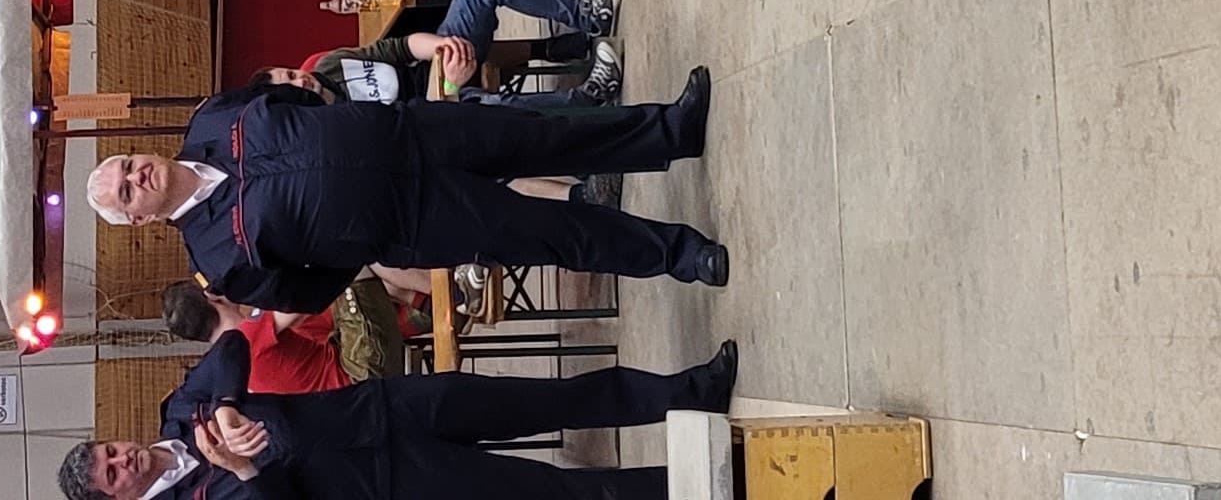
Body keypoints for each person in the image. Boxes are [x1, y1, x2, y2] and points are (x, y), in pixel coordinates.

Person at [85, 66, 727, 309]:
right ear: (139, 220)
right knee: (553, 234)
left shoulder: (210, 119)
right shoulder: (217, 260)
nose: (137, 176)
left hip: (414, 134)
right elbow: (306, 291)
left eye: (128, 165)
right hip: (416, 221)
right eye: (127, 192)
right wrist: (359, 236)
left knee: (549, 135)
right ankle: (681, 255)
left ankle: (671, 131)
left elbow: (289, 99)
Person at [58, 339, 739, 500]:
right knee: (555, 490)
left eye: (111, 450)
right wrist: (244, 471)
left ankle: (692, 391)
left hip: (387, 407)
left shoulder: (182, 411)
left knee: (549, 399)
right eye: (113, 474)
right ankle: (706, 483)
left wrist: (228, 406)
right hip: (393, 480)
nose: (124, 459)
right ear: (116, 498)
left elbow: (232, 347)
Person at [307, 0, 626, 106]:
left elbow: (398, 47)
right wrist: (449, 87)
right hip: (442, 111)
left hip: (439, 65)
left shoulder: (328, 66)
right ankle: (590, 97)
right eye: (292, 84)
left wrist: (441, 46)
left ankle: (589, 17)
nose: (301, 80)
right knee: (490, 110)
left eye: (291, 74)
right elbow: (414, 129)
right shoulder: (332, 127)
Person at [161, 280, 357, 394]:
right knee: (355, 273)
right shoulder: (246, 335)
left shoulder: (226, 365)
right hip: (351, 373)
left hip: (342, 395)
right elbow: (299, 298)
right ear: (212, 297)